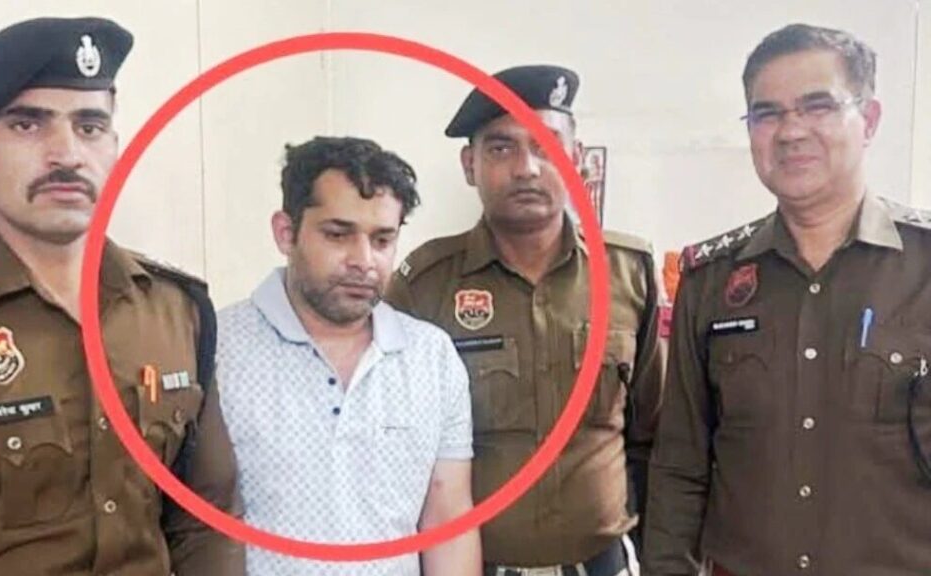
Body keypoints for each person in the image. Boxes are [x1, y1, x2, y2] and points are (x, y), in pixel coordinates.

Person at [0, 17, 244, 575]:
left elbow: (206, 519)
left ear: (114, 145)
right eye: (27, 125)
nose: (66, 154)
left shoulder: (174, 310)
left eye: (89, 126)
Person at [642, 23, 931, 576]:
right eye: (767, 113)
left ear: (869, 120)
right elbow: (679, 466)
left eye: (818, 106)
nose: (791, 131)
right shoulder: (711, 283)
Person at [386, 65, 665, 576]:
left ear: (576, 159)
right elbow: (395, 454)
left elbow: (655, 438)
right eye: (501, 148)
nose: (527, 168)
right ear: (469, 164)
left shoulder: (630, 273)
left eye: (547, 145)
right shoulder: (423, 287)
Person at [216, 136, 481, 575]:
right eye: (338, 235)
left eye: (382, 240)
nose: (363, 261)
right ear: (286, 233)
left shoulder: (432, 357)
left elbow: (447, 520)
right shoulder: (217, 349)